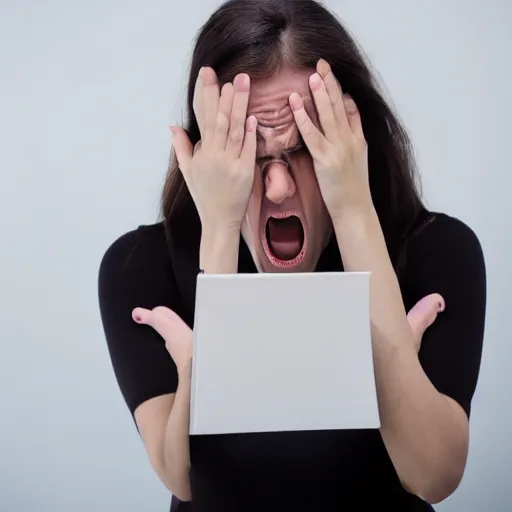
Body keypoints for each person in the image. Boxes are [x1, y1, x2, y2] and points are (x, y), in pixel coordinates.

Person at [98, 0, 486, 510]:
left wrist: (352, 210)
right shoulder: (139, 266)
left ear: (351, 138)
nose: (278, 187)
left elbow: (434, 475)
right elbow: (183, 477)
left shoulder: (439, 250)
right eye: (246, 150)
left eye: (304, 147)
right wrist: (220, 228)